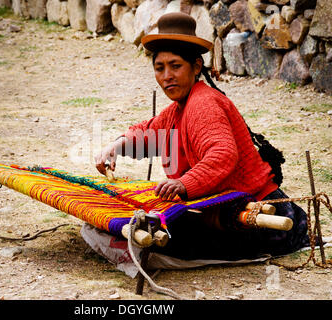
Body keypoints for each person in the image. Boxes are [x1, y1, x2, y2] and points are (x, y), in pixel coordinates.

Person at [94, 12, 309, 260]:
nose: (167, 76)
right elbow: (149, 133)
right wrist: (115, 146)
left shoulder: (203, 103)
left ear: (196, 66)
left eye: (176, 66)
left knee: (157, 237)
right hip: (229, 211)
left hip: (261, 216)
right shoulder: (181, 107)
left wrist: (184, 183)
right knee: (143, 229)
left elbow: (223, 154)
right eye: (159, 68)